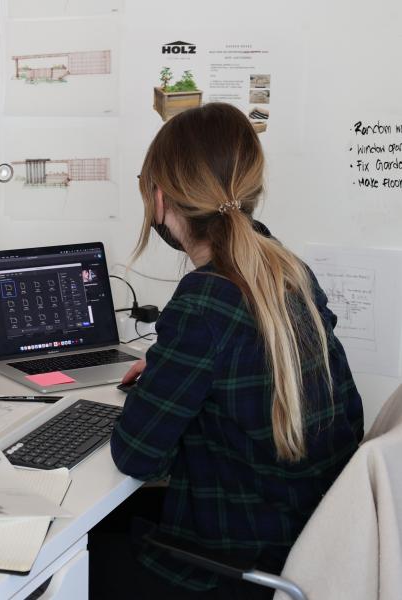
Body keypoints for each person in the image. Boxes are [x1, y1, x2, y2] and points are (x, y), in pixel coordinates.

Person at [89, 103, 364, 599]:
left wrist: (161, 380)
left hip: (231, 568)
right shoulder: (288, 271)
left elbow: (137, 456)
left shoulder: (204, 300)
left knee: (62, 559)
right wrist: (171, 366)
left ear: (158, 199)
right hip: (301, 544)